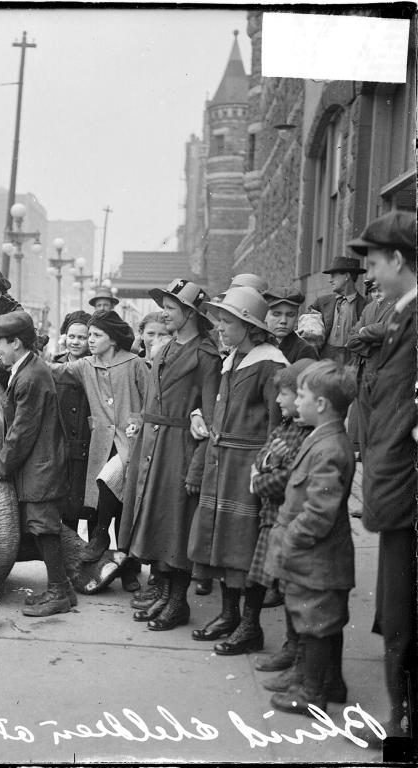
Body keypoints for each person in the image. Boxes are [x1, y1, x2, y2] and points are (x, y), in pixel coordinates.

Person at [188, 285, 287, 654]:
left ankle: (251, 624)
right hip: (222, 461)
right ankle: (229, 614)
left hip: (249, 466)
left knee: (247, 546)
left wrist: (266, 467)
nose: (220, 328)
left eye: (227, 322)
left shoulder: (271, 363)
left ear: (248, 326)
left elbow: (278, 427)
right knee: (222, 540)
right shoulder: (233, 360)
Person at [118, 279, 221, 630]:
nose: (165, 312)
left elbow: (208, 417)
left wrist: (198, 466)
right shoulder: (164, 348)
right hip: (153, 444)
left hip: (180, 447)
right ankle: (163, 594)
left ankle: (178, 603)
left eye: (172, 307)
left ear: (190, 312)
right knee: (155, 522)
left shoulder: (205, 354)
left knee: (176, 526)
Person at [350, 209, 417, 743]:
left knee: (405, 611)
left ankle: (405, 727)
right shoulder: (401, 314)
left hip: (409, 492)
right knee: (398, 612)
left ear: (398, 259)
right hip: (398, 488)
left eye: (374, 261)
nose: (369, 273)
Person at [265, 360, 357, 718]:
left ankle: (311, 692)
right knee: (320, 621)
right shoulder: (323, 438)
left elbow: (319, 512)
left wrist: (290, 543)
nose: (295, 401)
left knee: (316, 623)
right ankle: (328, 682)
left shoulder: (329, 447)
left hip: (314, 556)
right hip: (315, 557)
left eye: (300, 395)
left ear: (320, 404)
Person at [0, 311, 74, 616]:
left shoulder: (29, 376)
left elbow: (22, 430)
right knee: (42, 525)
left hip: (42, 465)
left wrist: (0, 466)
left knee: (43, 527)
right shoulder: (27, 367)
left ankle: (58, 594)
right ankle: (62, 587)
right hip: (42, 463)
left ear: (16, 342)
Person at [44, 310, 147, 593]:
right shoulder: (85, 365)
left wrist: (138, 422)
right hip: (101, 444)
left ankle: (119, 558)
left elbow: (151, 399)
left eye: (96, 335)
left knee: (121, 502)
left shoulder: (135, 364)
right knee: (109, 493)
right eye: (88, 335)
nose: (90, 340)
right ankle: (110, 553)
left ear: (112, 339)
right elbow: (53, 371)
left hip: (130, 443)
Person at [247, 358, 316, 686]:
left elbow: (285, 477)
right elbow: (262, 458)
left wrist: (261, 478)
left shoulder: (309, 435)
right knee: (282, 587)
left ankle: (300, 655)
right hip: (272, 519)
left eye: (286, 394)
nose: (278, 400)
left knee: (296, 592)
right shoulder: (285, 427)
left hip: (288, 520)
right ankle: (291, 647)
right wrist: (266, 467)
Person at [346, 278, 396, 458]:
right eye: (373, 291)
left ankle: (381, 457)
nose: (377, 294)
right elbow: (350, 340)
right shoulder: (369, 309)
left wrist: (363, 332)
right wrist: (372, 344)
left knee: (382, 418)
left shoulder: (398, 307)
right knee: (364, 419)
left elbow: (388, 329)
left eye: (381, 289)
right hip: (363, 371)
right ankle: (368, 458)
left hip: (383, 371)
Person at [53, 311, 92, 535]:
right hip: (62, 441)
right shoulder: (56, 363)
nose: (75, 342)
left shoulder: (94, 365)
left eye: (82, 337)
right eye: (71, 336)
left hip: (87, 441)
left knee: (85, 503)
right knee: (64, 505)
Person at [308, 256, 369, 366]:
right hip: (324, 361)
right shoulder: (321, 303)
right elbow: (306, 323)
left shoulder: (365, 306)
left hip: (351, 363)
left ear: (346, 276)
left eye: (333, 276)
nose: (329, 280)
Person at [262, 287, 319, 364]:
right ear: (264, 315)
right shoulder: (256, 343)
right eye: (276, 314)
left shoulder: (305, 351)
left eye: (290, 315)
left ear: (297, 316)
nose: (283, 321)